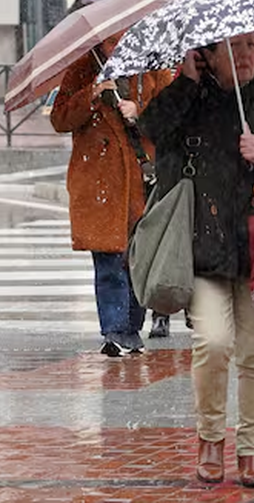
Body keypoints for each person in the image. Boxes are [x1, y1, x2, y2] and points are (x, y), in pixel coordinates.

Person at [139, 31, 254, 488]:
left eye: (251, 46)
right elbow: (151, 132)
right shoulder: (191, 101)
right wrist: (185, 83)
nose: (245, 55)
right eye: (234, 47)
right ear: (210, 55)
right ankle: (210, 440)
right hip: (204, 249)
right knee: (213, 344)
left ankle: (252, 449)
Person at [49, 32, 173, 356]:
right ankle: (115, 330)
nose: (115, 47)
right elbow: (60, 118)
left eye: (120, 39)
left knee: (137, 257)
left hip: (142, 178)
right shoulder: (83, 68)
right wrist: (91, 94)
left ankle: (131, 326)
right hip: (100, 180)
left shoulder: (152, 68)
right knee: (107, 259)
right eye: (108, 41)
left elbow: (174, 116)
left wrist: (140, 111)